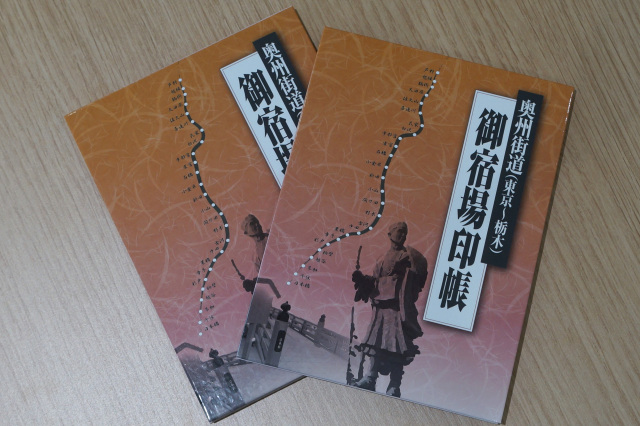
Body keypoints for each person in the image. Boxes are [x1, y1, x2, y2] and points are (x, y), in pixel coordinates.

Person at [351, 222, 428, 397]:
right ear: (389, 234)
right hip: (380, 306)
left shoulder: (408, 256)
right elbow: (375, 281)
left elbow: (417, 279)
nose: (403, 235)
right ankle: (370, 378)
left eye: (405, 233)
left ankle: (394, 385)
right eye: (399, 231)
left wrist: (407, 274)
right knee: (376, 340)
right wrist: (362, 280)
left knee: (398, 345)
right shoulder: (381, 258)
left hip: (398, 307)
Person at [240, 214, 269, 293]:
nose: (257, 225)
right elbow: (264, 274)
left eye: (257, 222)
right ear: (246, 232)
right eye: (252, 223)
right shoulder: (255, 256)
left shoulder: (271, 236)